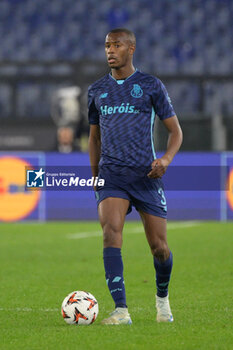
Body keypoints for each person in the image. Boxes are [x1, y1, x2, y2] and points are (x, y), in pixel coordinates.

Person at [88, 28, 183, 325]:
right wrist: (96, 177)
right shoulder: (96, 91)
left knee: (159, 248)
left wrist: (165, 159)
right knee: (110, 233)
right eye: (106, 45)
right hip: (112, 175)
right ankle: (120, 310)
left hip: (145, 176)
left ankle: (162, 301)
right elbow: (94, 139)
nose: (110, 51)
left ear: (131, 48)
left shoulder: (150, 85)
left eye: (116, 45)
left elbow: (176, 132)